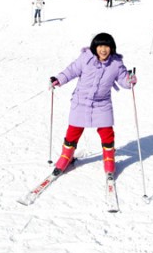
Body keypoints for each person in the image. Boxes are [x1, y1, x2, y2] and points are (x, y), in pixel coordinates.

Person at [48, 33, 136, 178]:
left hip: (102, 104)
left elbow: (123, 80)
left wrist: (130, 80)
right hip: (80, 101)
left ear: (111, 48)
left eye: (106, 46)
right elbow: (71, 70)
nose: (103, 50)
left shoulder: (116, 64)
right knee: (73, 130)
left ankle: (109, 160)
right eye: (100, 46)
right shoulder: (86, 58)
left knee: (106, 132)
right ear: (95, 47)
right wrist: (59, 79)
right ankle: (66, 156)